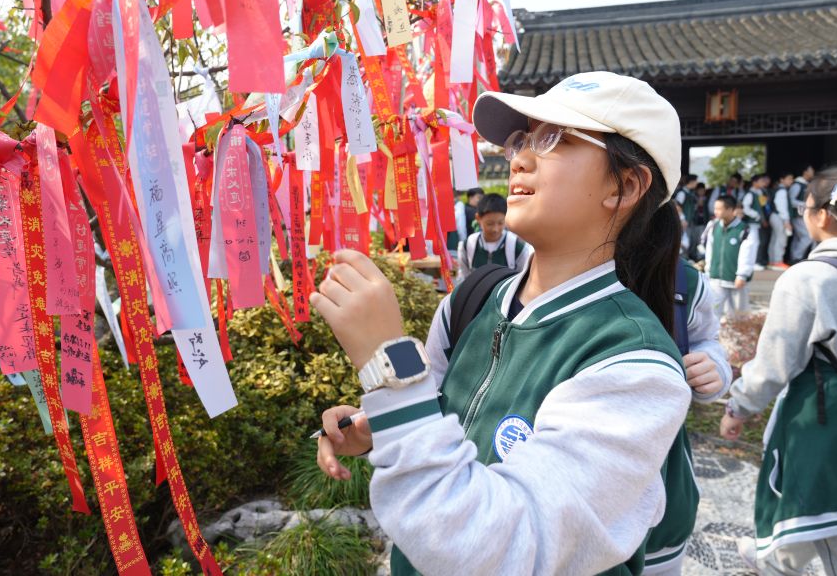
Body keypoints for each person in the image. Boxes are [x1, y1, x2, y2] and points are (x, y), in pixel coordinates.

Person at [311, 71, 695, 575]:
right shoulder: (471, 300)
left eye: (554, 139)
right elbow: (431, 407)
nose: (519, 158)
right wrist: (383, 424)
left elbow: (498, 546)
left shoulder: (635, 365)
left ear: (625, 186)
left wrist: (389, 363)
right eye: (521, 139)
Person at [720, 163, 837, 575]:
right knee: (829, 517)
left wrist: (738, 407)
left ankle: (775, 562)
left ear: (823, 216)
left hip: (824, 420)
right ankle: (775, 561)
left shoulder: (808, 279)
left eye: (805, 208)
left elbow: (774, 363)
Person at [643, 258, 733, 575]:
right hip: (563, 508)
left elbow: (705, 338)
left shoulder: (682, 280)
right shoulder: (535, 261)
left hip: (663, 500)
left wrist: (713, 367)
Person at [456, 193, 531, 282]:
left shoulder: (517, 247)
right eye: (489, 224)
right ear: (478, 218)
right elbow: (464, 280)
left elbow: (523, 280)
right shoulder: (468, 245)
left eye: (500, 223)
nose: (495, 229)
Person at [702, 195, 754, 318]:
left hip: (735, 279)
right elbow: (709, 250)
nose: (715, 212)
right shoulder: (713, 226)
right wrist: (708, 270)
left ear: (730, 210)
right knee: (713, 312)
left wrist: (742, 275)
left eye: (719, 209)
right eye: (715, 208)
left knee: (740, 314)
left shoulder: (744, 229)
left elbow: (748, 254)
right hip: (716, 278)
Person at [788, 164, 815, 262]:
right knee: (807, 237)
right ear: (805, 172)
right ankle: (796, 257)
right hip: (797, 216)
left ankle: (793, 258)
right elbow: (791, 201)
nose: (813, 172)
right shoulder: (797, 184)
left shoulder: (805, 184)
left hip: (802, 215)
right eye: (811, 170)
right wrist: (806, 204)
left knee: (798, 238)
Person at [767, 172, 794, 269]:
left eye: (792, 179)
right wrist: (786, 221)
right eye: (789, 179)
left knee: (775, 239)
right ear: (782, 180)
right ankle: (778, 261)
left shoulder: (778, 189)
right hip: (779, 217)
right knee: (781, 239)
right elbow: (781, 207)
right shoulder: (782, 191)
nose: (791, 181)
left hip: (775, 216)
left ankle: (772, 261)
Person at [741, 174, 767, 270]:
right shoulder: (750, 194)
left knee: (755, 242)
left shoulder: (760, 193)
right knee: (752, 242)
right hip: (751, 222)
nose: (763, 183)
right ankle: (751, 263)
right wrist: (756, 215)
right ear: (754, 182)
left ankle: (752, 262)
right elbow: (745, 208)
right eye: (761, 181)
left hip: (756, 222)